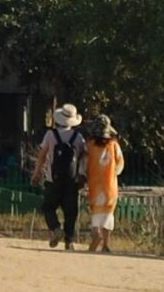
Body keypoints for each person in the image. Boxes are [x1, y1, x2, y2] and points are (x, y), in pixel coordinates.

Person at [33, 104, 84, 250]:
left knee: (48, 207)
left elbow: (42, 156)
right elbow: (83, 157)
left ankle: (55, 228)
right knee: (71, 212)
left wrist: (36, 173)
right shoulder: (78, 137)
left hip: (52, 179)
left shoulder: (51, 135)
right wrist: (82, 175)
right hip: (72, 180)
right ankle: (69, 241)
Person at [84, 114, 124, 253]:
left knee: (96, 212)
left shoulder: (89, 146)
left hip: (94, 184)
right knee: (108, 213)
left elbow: (84, 165)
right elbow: (120, 165)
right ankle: (106, 244)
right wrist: (112, 173)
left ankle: (96, 235)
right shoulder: (114, 146)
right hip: (110, 185)